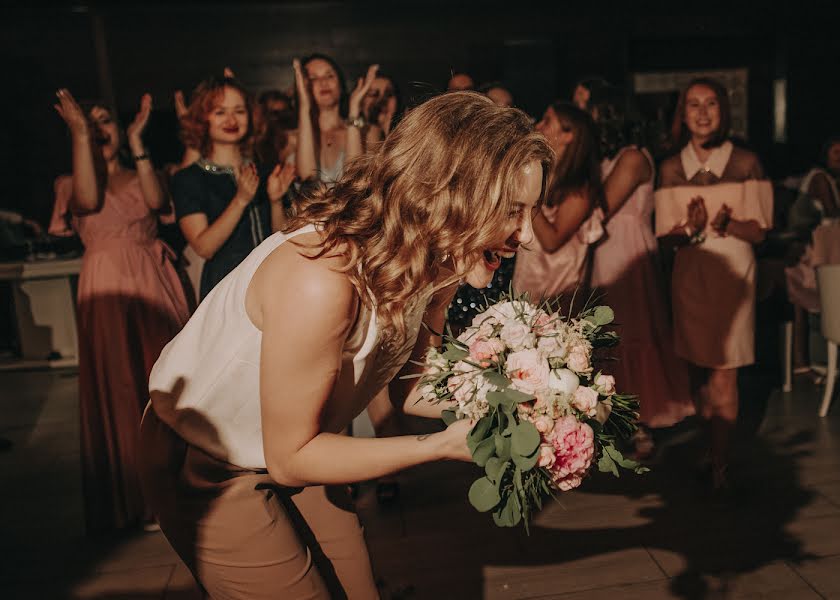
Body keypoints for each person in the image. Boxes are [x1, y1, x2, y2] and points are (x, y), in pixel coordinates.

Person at [138, 91, 552, 599]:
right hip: (209, 463)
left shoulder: (436, 264)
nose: (528, 236)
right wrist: (443, 445)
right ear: (447, 193)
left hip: (303, 442)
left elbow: (411, 388)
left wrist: (526, 400)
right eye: (513, 211)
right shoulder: (322, 278)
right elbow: (291, 458)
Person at [53, 89, 191, 532]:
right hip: (108, 284)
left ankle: (181, 488)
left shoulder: (142, 172)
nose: (98, 130)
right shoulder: (69, 183)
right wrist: (81, 135)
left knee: (164, 385)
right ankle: (137, 499)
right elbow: (89, 201)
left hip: (152, 280)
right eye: (89, 124)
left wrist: (136, 140)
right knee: (120, 387)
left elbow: (155, 202)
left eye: (103, 122)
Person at [655, 78, 773, 491]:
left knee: (725, 376)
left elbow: (759, 232)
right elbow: (664, 237)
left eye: (710, 104)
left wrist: (729, 224)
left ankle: (720, 467)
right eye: (693, 105)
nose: (702, 113)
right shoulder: (669, 167)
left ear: (723, 110)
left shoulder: (746, 162)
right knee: (697, 376)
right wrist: (690, 228)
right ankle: (711, 446)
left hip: (734, 278)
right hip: (691, 278)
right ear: (682, 113)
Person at [590, 99, 694, 435]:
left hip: (625, 247)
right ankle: (615, 415)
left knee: (630, 331)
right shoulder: (612, 156)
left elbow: (602, 205)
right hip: (608, 247)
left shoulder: (633, 157)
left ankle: (639, 418)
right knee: (612, 333)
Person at [171, 75, 295, 301]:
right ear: (202, 119)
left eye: (239, 111)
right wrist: (240, 200)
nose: (231, 119)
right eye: (220, 112)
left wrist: (276, 200)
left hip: (274, 280)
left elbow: (283, 236)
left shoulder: (267, 171)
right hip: (227, 288)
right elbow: (204, 247)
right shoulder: (189, 179)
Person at [512, 102, 603, 309]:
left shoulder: (579, 190)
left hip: (557, 292)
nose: (539, 125)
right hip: (528, 280)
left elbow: (552, 241)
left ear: (568, 135)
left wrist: (526, 200)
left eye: (548, 120)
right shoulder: (540, 174)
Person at [294, 55, 379, 186]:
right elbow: (307, 182)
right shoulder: (292, 140)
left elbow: (355, 184)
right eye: (313, 78)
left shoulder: (368, 133)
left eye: (329, 76)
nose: (323, 82)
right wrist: (304, 107)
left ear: (340, 84)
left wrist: (354, 109)